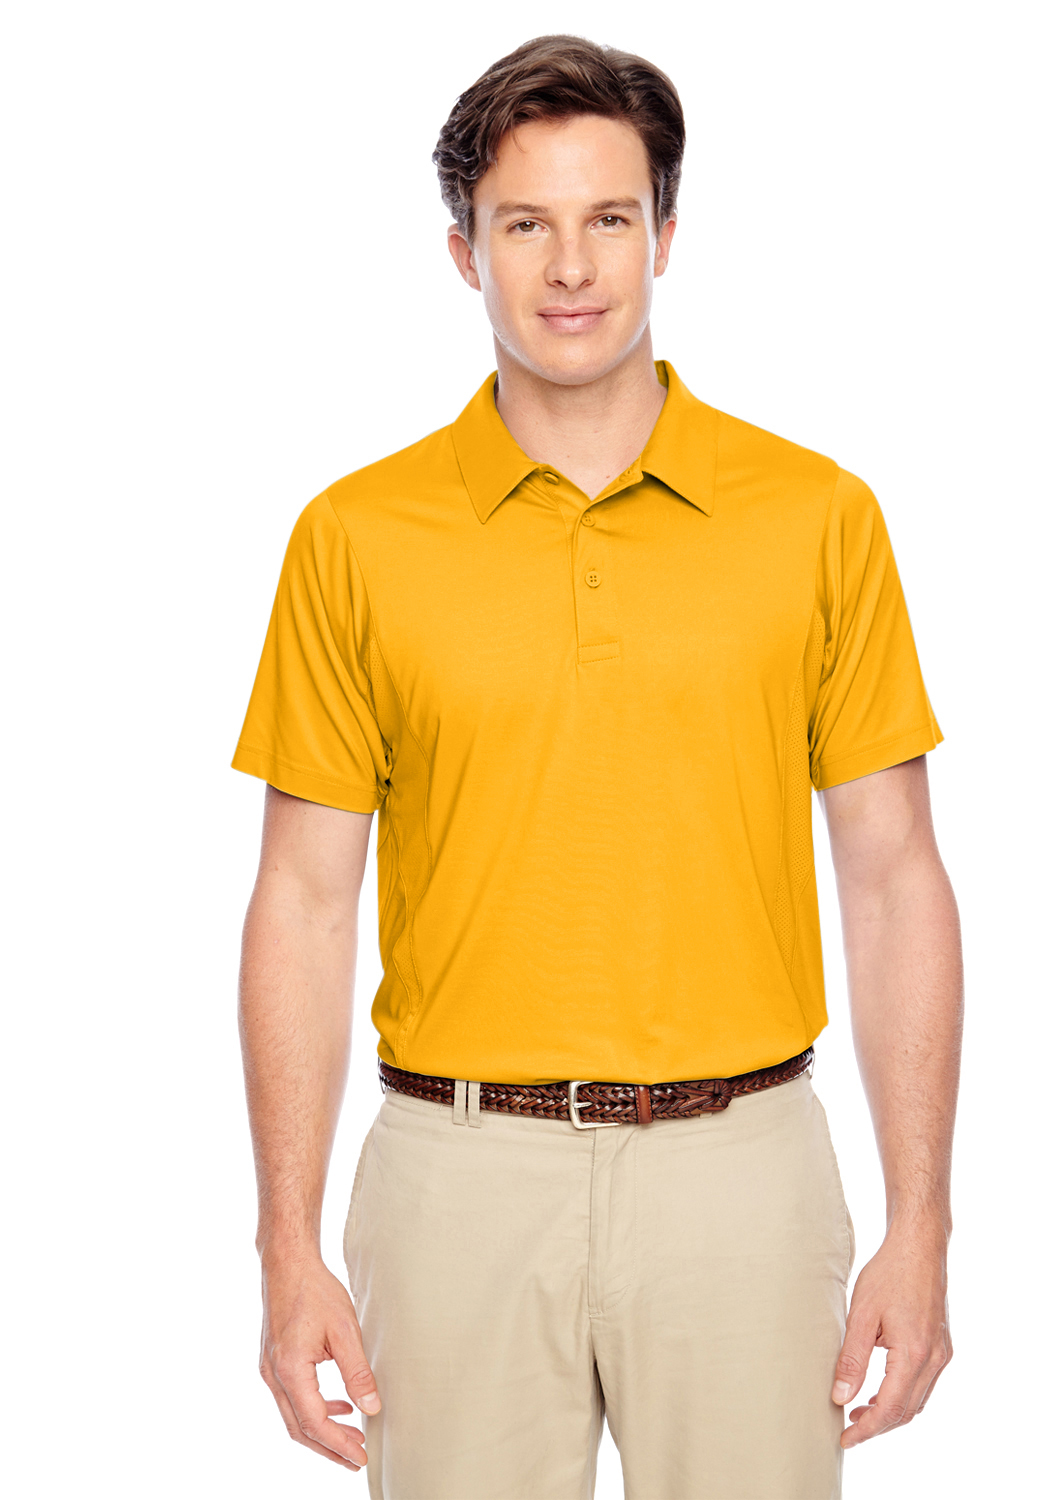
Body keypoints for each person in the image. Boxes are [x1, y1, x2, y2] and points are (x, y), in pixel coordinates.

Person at [233, 33, 962, 1500]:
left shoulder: (818, 517)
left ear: (665, 236)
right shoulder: (354, 538)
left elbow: (893, 878)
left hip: (743, 1172)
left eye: (609, 218)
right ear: (464, 253)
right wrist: (286, 1244)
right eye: (525, 225)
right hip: (455, 1176)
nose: (571, 267)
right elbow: (303, 899)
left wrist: (924, 1222)